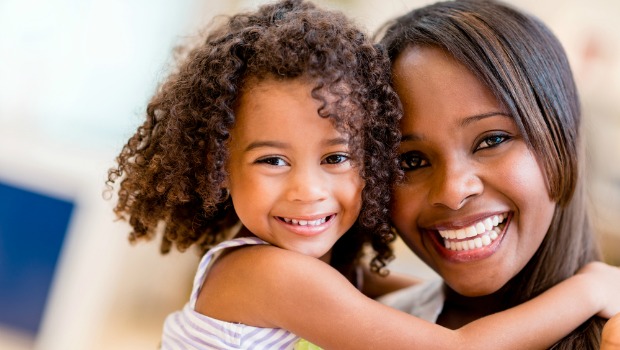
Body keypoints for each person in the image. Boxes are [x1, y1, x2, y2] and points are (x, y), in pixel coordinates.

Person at [106, 0, 620, 349]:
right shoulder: (268, 274)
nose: (307, 189)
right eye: (272, 160)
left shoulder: (318, 278)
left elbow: (390, 298)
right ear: (217, 167)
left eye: (335, 158)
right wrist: (589, 290)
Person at [377, 0, 620, 348]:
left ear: (562, 137)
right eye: (411, 161)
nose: (452, 190)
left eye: (492, 140)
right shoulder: (367, 330)